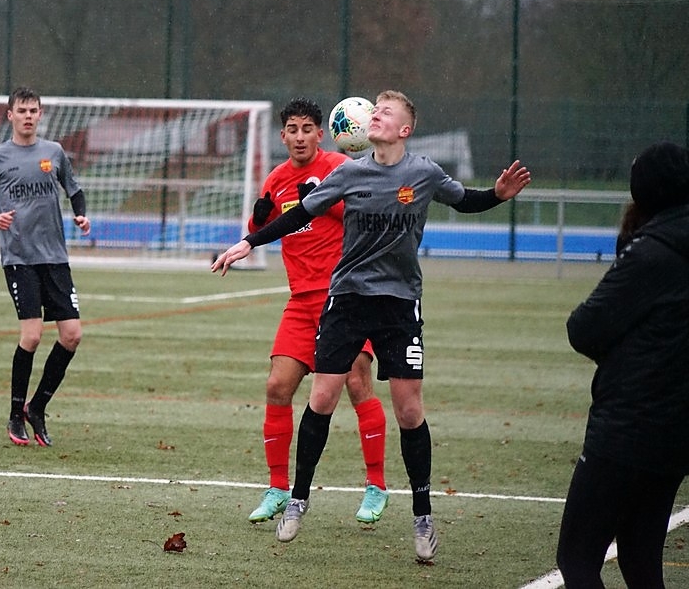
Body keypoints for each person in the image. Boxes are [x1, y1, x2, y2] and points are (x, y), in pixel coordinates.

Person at [212, 90, 530, 562]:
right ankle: (297, 500)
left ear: (404, 130)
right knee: (321, 397)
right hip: (348, 302)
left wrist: (497, 196)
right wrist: (247, 243)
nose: (374, 116)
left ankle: (422, 515)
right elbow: (300, 214)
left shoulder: (422, 172)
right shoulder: (349, 173)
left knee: (408, 411)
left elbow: (465, 200)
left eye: (385, 113)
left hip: (400, 306)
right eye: (374, 110)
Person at [244, 96, 390, 526]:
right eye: (292, 129)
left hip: (345, 298)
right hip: (301, 301)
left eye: (308, 128)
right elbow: (263, 230)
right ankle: (276, 487)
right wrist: (256, 219)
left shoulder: (338, 170)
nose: (300, 137)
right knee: (277, 386)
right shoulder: (276, 180)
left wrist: (331, 202)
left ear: (321, 134)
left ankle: (376, 486)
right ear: (284, 135)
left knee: (357, 383)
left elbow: (364, 217)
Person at [556, 141, 689, 588]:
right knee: (639, 556)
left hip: (629, 424)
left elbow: (585, 327)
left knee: (577, 559)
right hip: (676, 430)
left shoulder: (650, 251)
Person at [0, 86, 90, 447]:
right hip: (20, 259)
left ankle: (37, 407)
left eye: (33, 110)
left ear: (40, 114)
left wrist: (81, 215)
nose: (28, 116)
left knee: (72, 335)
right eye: (21, 110)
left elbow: (75, 190)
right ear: (10, 115)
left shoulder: (54, 152)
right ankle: (15, 414)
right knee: (32, 336)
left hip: (55, 257)